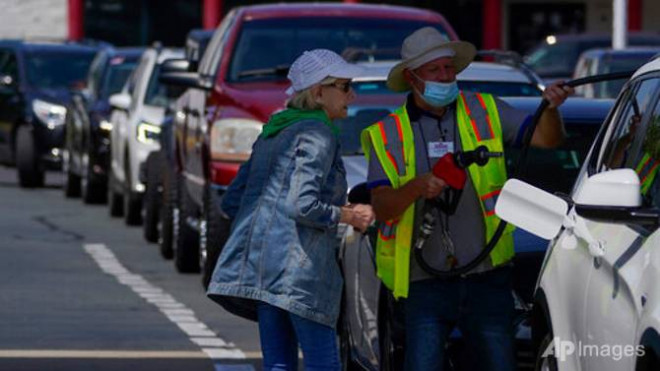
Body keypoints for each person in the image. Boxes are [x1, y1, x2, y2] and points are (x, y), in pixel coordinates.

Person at [361, 27, 574, 370]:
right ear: (413, 78)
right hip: (423, 284)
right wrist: (416, 187)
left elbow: (548, 140)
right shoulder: (387, 132)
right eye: (435, 70)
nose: (446, 76)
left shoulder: (485, 109)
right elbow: (383, 208)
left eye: (449, 68)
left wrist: (549, 108)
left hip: (486, 277)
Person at [207, 49, 375, 371]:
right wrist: (348, 214)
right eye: (344, 86)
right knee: (323, 363)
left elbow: (232, 201)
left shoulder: (275, 130)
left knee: (279, 364)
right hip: (302, 271)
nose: (351, 94)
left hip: (264, 269)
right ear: (318, 92)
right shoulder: (318, 132)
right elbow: (303, 204)